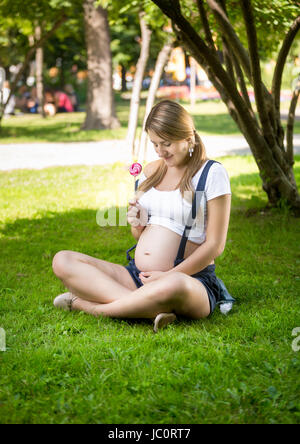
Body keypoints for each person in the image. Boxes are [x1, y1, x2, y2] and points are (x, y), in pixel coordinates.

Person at [52, 100, 232, 332]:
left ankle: (88, 306)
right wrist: (137, 224)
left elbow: (215, 245)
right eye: (155, 144)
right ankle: (148, 306)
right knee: (63, 260)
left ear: (188, 138)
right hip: (138, 276)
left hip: (188, 280)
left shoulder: (210, 173)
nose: (160, 151)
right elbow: (141, 237)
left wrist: (167, 276)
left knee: (174, 286)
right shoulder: (150, 173)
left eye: (166, 143)